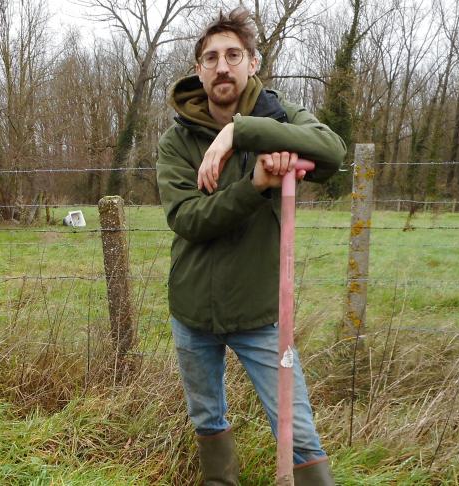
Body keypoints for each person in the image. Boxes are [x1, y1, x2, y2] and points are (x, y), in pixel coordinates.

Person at [155, 7, 346, 485]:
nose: (223, 66)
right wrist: (255, 185)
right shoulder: (177, 142)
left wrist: (238, 132)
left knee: (298, 434)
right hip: (193, 311)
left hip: (262, 314)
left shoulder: (281, 117)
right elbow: (187, 219)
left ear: (253, 63)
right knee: (207, 421)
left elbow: (332, 153)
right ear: (198, 69)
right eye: (212, 58)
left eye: (233, 55)